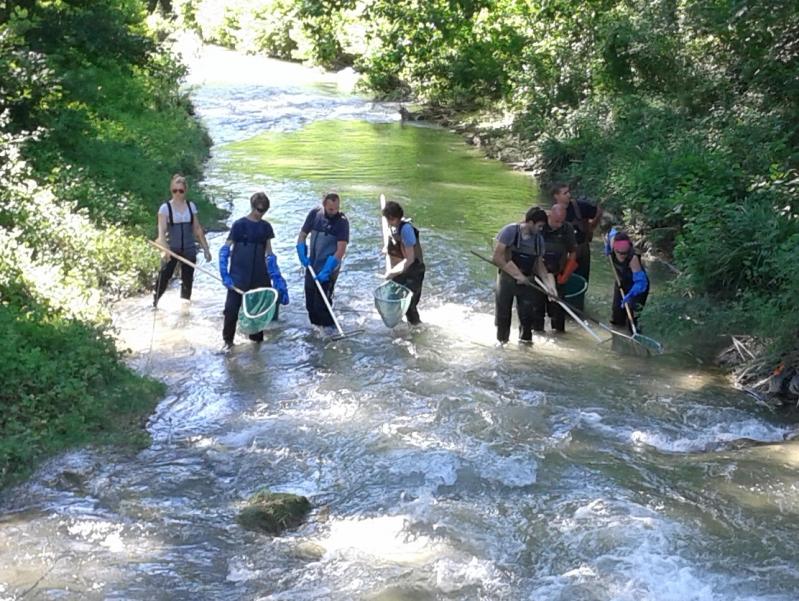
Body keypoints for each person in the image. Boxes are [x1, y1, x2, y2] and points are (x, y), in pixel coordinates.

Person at [218, 192, 289, 348]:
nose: (260, 213)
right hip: (238, 276)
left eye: (264, 211)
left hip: (259, 277)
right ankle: (227, 344)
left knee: (257, 316)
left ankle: (256, 350)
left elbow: (269, 253)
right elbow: (225, 249)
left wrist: (277, 278)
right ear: (252, 206)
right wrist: (224, 273)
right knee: (231, 311)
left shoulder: (266, 228)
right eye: (258, 209)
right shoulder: (239, 225)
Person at [492, 207, 553, 345]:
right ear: (530, 222)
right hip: (507, 279)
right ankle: (502, 344)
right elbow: (497, 257)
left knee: (527, 317)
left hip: (527, 281)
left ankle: (525, 345)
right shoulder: (510, 231)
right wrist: (517, 275)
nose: (541, 230)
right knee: (503, 315)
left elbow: (539, 265)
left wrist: (548, 285)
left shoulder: (539, 240)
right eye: (539, 226)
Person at [153, 174, 212, 307]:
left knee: (187, 280)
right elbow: (161, 233)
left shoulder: (191, 207)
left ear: (185, 191)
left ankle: (184, 307)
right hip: (172, 249)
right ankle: (154, 303)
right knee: (164, 276)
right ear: (171, 190)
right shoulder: (165, 208)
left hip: (189, 248)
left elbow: (197, 229)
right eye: (175, 191)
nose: (177, 194)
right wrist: (165, 250)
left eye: (180, 191)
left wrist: (206, 249)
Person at [296, 192, 349, 332]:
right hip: (312, 266)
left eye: (337, 208)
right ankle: (316, 334)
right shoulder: (315, 214)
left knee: (322, 305)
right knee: (310, 305)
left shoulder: (342, 222)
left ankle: (331, 331)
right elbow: (302, 235)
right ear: (324, 204)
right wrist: (301, 250)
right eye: (331, 209)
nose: (335, 211)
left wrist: (327, 270)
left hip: (329, 268)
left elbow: (341, 249)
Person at [551, 182, 603, 310]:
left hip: (582, 248)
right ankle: (561, 307)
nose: (569, 195)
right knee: (562, 280)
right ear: (556, 196)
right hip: (565, 252)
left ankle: (579, 307)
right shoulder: (554, 213)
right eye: (565, 193)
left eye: (569, 192)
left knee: (583, 280)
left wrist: (592, 227)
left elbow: (599, 210)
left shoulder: (580, 206)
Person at [382, 200, 425, 326]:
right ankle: (400, 328)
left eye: (389, 219)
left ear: (393, 218)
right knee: (394, 298)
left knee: (409, 305)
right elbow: (395, 243)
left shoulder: (406, 229)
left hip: (414, 270)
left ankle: (417, 329)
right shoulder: (394, 227)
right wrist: (387, 248)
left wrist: (391, 273)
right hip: (404, 270)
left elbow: (410, 259)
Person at [536, 203, 577, 333]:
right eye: (556, 221)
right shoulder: (540, 226)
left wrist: (566, 274)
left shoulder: (567, 228)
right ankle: (536, 334)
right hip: (538, 274)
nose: (559, 224)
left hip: (558, 273)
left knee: (558, 312)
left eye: (561, 221)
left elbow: (573, 252)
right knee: (536, 311)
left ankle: (559, 336)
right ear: (550, 215)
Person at [605, 229, 649, 332]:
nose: (622, 255)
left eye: (625, 253)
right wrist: (606, 247)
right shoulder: (612, 243)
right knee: (617, 316)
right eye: (620, 253)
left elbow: (641, 282)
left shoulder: (632, 258)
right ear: (614, 249)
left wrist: (631, 295)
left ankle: (634, 335)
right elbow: (611, 232)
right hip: (621, 281)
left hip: (637, 286)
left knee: (632, 319)